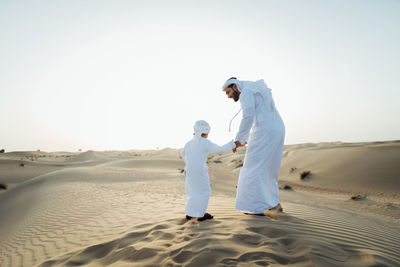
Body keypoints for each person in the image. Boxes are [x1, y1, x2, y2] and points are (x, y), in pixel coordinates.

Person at [222, 77, 285, 215]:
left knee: (252, 168)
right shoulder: (256, 87)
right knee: (268, 169)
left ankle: (253, 208)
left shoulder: (246, 92)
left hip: (265, 130)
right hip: (278, 129)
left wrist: (239, 139)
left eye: (228, 92)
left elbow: (248, 116)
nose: (228, 96)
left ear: (234, 86)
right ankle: (274, 204)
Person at [181, 120, 236, 221]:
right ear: (205, 132)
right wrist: (232, 144)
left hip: (189, 171)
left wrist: (189, 163)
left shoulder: (188, 143)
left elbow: (182, 154)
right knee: (204, 191)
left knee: (192, 191)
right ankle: (200, 214)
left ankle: (190, 213)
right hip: (200, 171)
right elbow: (219, 149)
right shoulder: (205, 142)